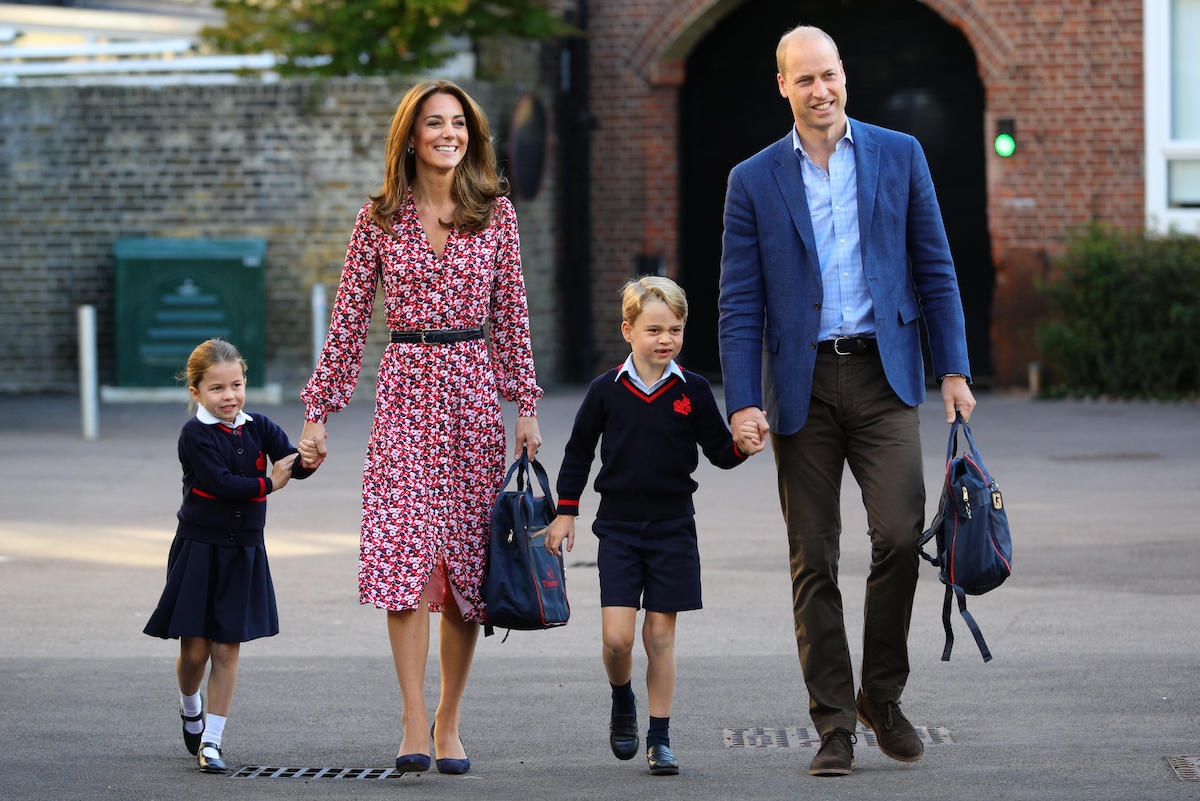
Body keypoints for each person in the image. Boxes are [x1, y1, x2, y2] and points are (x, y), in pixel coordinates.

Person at [718, 25, 978, 777]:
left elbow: (936, 268)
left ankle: (882, 696)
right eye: (804, 80)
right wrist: (742, 402)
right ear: (783, 87)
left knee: (899, 536)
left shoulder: (900, 155)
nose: (819, 90)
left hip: (884, 375)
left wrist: (953, 369)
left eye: (828, 75)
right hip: (799, 387)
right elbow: (740, 304)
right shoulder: (753, 179)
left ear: (844, 76)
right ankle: (832, 721)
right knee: (814, 558)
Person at [296, 79, 543, 776]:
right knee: (404, 558)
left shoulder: (495, 215)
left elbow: (513, 318)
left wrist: (524, 402)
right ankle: (411, 716)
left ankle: (449, 721)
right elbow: (346, 325)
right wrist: (319, 412)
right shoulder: (376, 220)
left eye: (458, 124)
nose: (448, 134)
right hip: (404, 392)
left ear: (472, 134)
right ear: (411, 134)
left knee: (466, 564)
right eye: (434, 123)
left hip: (470, 396)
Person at [545, 276, 764, 776]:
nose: (665, 340)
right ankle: (623, 700)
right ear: (628, 330)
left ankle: (660, 738)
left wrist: (742, 448)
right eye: (654, 329)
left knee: (660, 636)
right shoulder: (606, 390)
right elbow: (579, 452)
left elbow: (718, 451)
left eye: (676, 330)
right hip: (618, 529)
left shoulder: (694, 390)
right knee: (618, 639)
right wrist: (565, 512)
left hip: (672, 529)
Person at [143, 338, 313, 774]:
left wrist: (309, 459)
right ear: (196, 392)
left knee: (228, 648)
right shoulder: (194, 435)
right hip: (199, 549)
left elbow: (289, 458)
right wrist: (269, 484)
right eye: (217, 388)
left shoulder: (259, 425)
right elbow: (220, 484)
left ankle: (212, 742)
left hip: (244, 552)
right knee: (195, 652)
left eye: (236, 385)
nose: (230, 396)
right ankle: (189, 705)